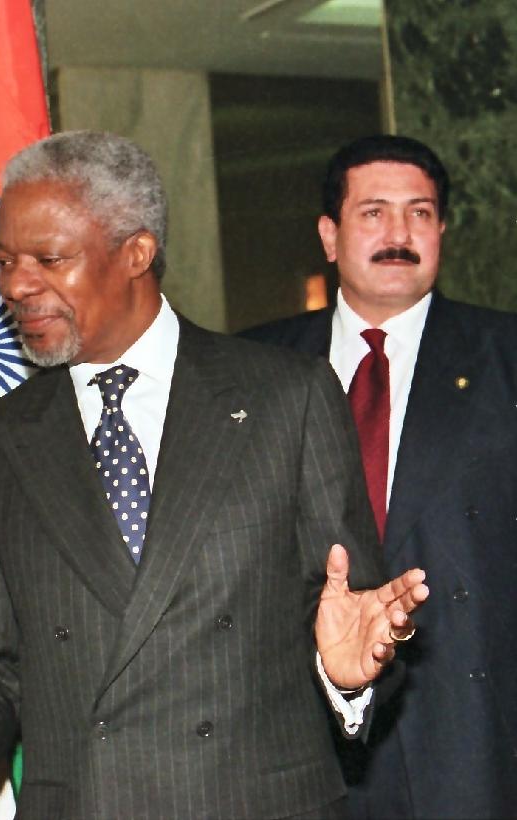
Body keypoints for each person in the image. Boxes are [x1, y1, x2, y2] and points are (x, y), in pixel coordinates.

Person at [0, 131, 429, 819]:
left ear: (136, 253)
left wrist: (345, 676)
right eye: (5, 261)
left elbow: (351, 614)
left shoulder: (287, 397)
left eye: (49, 259)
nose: (15, 284)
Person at [242, 134, 517, 818]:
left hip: (476, 741)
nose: (399, 234)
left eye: (419, 213)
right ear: (328, 236)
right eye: (373, 213)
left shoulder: (504, 356)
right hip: (299, 745)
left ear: (442, 230)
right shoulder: (249, 369)